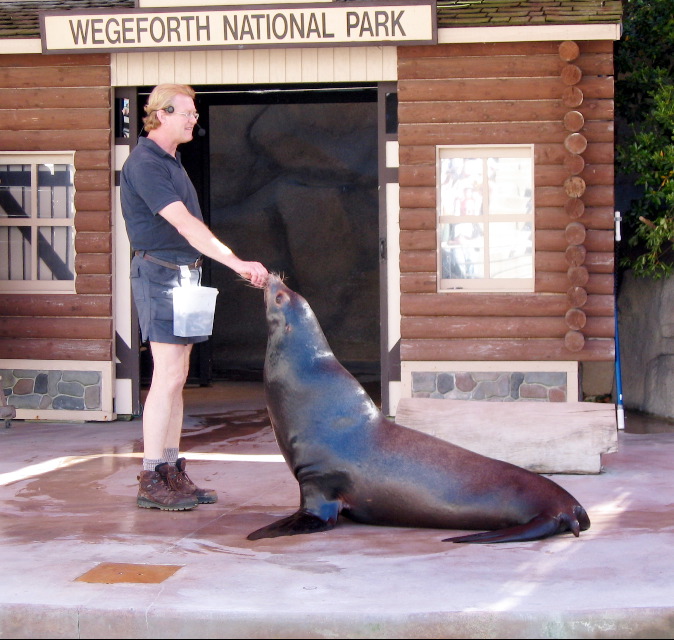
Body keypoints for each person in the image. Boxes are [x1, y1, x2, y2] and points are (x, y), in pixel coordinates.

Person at [120, 83, 269, 511]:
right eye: (186, 113)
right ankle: (151, 475)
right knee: (166, 376)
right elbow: (184, 224)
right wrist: (237, 263)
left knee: (178, 377)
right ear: (161, 114)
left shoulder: (172, 162)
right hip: (160, 275)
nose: (193, 120)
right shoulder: (145, 163)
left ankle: (170, 469)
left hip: (185, 278)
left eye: (194, 114)